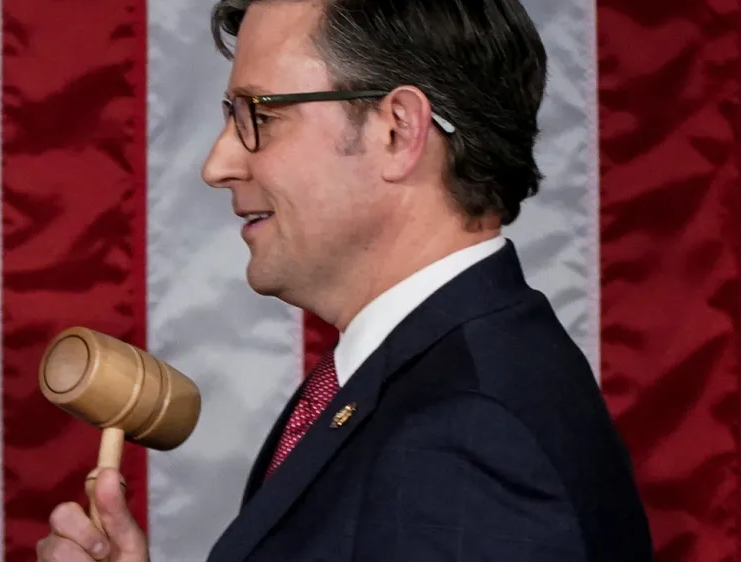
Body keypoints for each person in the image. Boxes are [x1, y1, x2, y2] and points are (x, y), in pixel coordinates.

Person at [36, 0, 654, 560]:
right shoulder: (416, 378)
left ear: (398, 131)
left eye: (259, 114)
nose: (217, 165)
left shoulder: (466, 434)